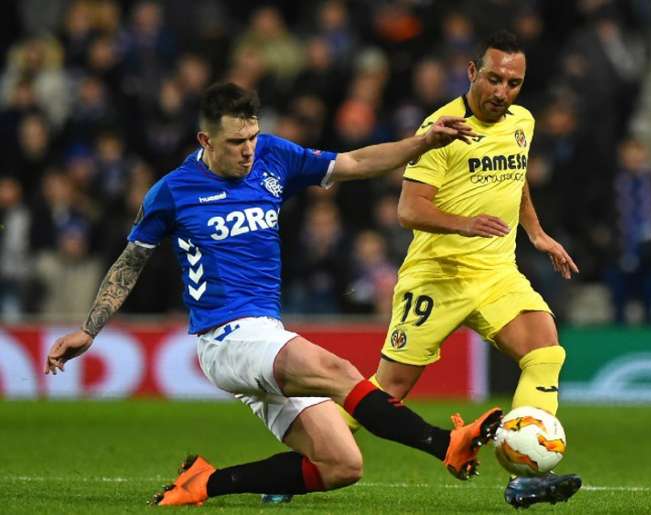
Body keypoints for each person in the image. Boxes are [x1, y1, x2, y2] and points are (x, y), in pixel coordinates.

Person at [43, 82, 503, 507]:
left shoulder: (273, 157)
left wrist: (422, 142)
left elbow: (355, 163)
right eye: (235, 143)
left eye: (252, 138)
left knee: (342, 465)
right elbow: (131, 262)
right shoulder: (172, 192)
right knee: (337, 369)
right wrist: (89, 330)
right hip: (224, 340)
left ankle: (203, 483)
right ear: (205, 141)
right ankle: (445, 445)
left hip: (267, 334)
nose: (248, 151)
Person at [340, 31, 582, 509]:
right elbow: (409, 209)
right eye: (494, 78)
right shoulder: (441, 128)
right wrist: (465, 223)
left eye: (513, 83)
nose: (502, 91)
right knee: (388, 390)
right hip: (437, 276)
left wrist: (534, 232)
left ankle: (524, 469)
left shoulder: (523, 122)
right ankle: (307, 457)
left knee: (545, 351)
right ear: (473, 72)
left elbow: (517, 177)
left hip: (496, 274)